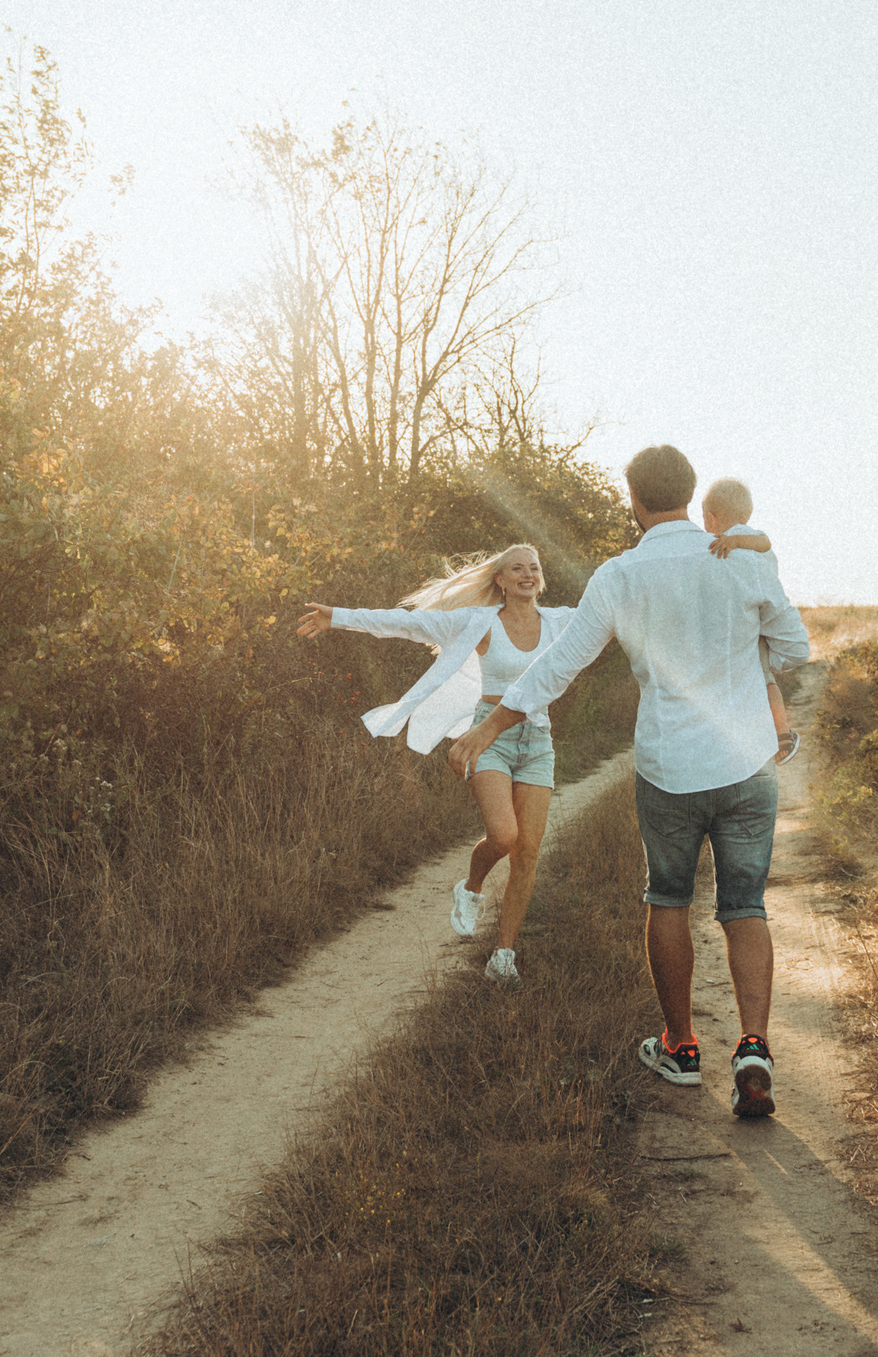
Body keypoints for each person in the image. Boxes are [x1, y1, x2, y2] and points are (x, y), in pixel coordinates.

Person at [450, 446, 809, 1119]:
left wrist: (489, 726)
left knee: (668, 898)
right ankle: (753, 1049)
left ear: (635, 501)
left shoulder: (620, 574)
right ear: (691, 493)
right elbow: (795, 648)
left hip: (670, 770)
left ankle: (681, 1048)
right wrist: (743, 656)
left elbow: (558, 666)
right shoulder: (744, 557)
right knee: (745, 906)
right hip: (746, 765)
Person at [296, 544, 573, 983]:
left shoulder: (561, 622)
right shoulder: (479, 621)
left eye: (534, 568)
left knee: (528, 852)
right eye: (517, 568)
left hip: (537, 739)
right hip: (488, 739)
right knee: (504, 836)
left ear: (540, 578)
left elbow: (613, 616)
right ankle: (471, 887)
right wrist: (339, 617)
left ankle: (503, 956)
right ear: (500, 580)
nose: (527, 574)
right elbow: (408, 623)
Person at [700, 476, 797, 764]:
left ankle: (782, 735)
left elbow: (765, 542)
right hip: (755, 614)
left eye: (704, 519)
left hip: (756, 617)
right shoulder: (727, 543)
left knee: (765, 679)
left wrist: (734, 541)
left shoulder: (748, 538)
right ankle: (767, 732)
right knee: (759, 678)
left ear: (711, 518)